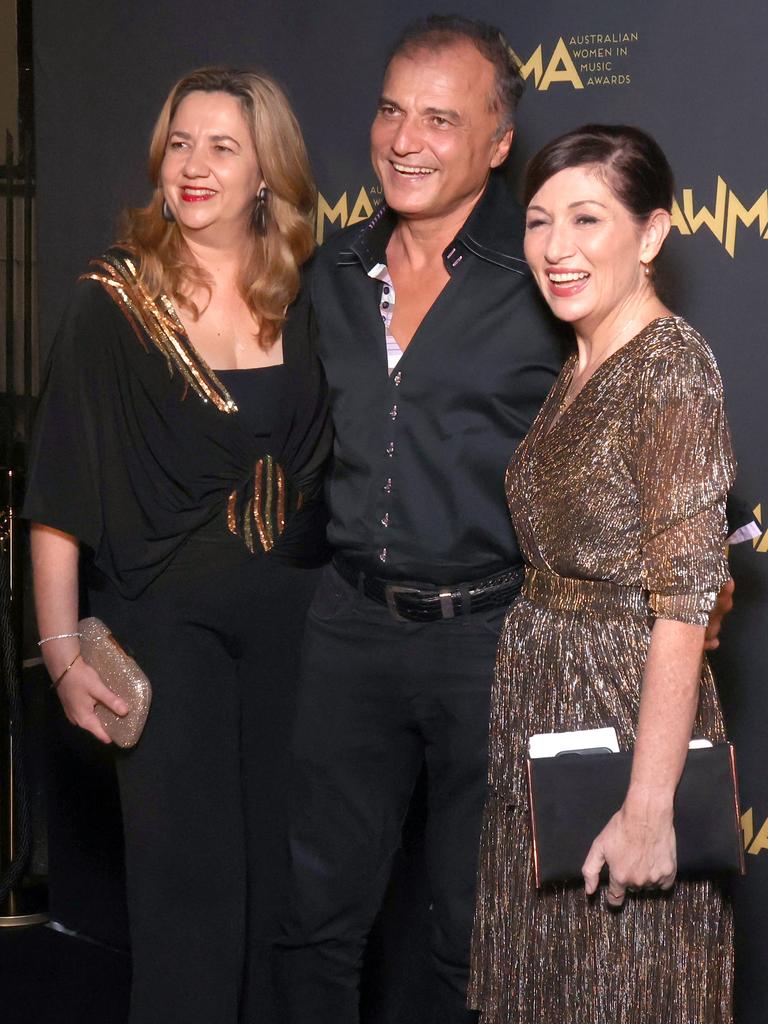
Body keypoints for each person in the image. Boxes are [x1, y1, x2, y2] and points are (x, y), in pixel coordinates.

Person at [272, 17, 736, 1023]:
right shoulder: (335, 275)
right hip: (348, 625)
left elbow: (672, 526)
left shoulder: (542, 289)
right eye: (392, 110)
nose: (407, 138)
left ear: (495, 143)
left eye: (442, 118)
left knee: (476, 938)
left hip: (487, 639)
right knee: (313, 921)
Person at [24, 67, 330, 1024]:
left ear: (267, 174)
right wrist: (63, 649)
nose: (193, 166)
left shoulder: (312, 298)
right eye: (180, 143)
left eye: (222, 146)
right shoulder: (111, 302)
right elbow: (58, 496)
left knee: (289, 900)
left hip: (299, 634)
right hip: (165, 635)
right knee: (186, 903)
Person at [468, 125, 735, 1023]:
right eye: (540, 221)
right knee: (548, 984)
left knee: (621, 988)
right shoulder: (580, 363)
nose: (556, 248)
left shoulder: (670, 371)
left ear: (652, 235)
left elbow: (686, 602)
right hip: (547, 722)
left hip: (623, 728)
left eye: (588, 219)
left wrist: (650, 806)